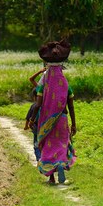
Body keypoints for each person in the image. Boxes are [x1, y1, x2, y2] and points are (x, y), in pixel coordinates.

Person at [30, 40, 77, 184]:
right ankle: (61, 165)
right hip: (62, 119)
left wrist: (32, 119)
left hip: (46, 120)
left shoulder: (44, 83)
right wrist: (74, 124)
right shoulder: (65, 82)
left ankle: (51, 177)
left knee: (47, 146)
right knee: (61, 144)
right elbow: (71, 105)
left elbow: (38, 104)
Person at [24, 66, 46, 161]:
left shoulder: (40, 89)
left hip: (37, 125)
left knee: (37, 142)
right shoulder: (51, 91)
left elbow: (31, 79)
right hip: (48, 121)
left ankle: (39, 159)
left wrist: (40, 71)